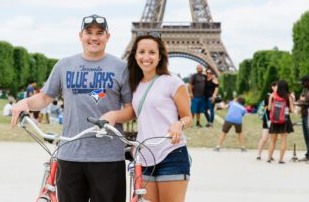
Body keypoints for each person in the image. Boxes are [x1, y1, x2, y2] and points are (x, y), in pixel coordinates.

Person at [11, 14, 132, 202]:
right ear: (80, 35)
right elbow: (44, 97)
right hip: (70, 154)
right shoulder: (64, 65)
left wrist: (115, 115)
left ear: (108, 36)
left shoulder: (121, 67)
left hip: (108, 157)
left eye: (99, 33)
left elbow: (130, 110)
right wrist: (25, 103)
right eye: (89, 32)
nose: (94, 37)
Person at [101, 32, 192, 202]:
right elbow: (129, 110)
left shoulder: (173, 82)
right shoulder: (133, 85)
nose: (146, 57)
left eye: (152, 52)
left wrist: (178, 124)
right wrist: (110, 113)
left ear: (160, 56)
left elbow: (188, 117)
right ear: (135, 55)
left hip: (171, 153)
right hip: (144, 156)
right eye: (141, 52)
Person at [267, 80, 294, 164]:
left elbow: (269, 108)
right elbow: (292, 110)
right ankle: (281, 159)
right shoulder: (288, 97)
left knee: (272, 140)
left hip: (275, 120)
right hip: (285, 120)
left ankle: (269, 158)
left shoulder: (273, 95)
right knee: (283, 140)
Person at [256, 81, 277, 160]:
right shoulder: (268, 96)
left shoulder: (279, 96)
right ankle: (258, 154)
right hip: (267, 119)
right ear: (273, 87)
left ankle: (270, 155)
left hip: (275, 119)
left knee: (273, 139)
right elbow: (268, 108)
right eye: (277, 87)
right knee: (264, 138)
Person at [295, 75, 309, 163]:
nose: (302, 85)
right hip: (304, 115)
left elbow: (304, 101)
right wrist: (301, 102)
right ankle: (308, 155)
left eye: (303, 83)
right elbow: (302, 100)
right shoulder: (305, 90)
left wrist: (302, 102)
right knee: (306, 136)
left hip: (308, 115)